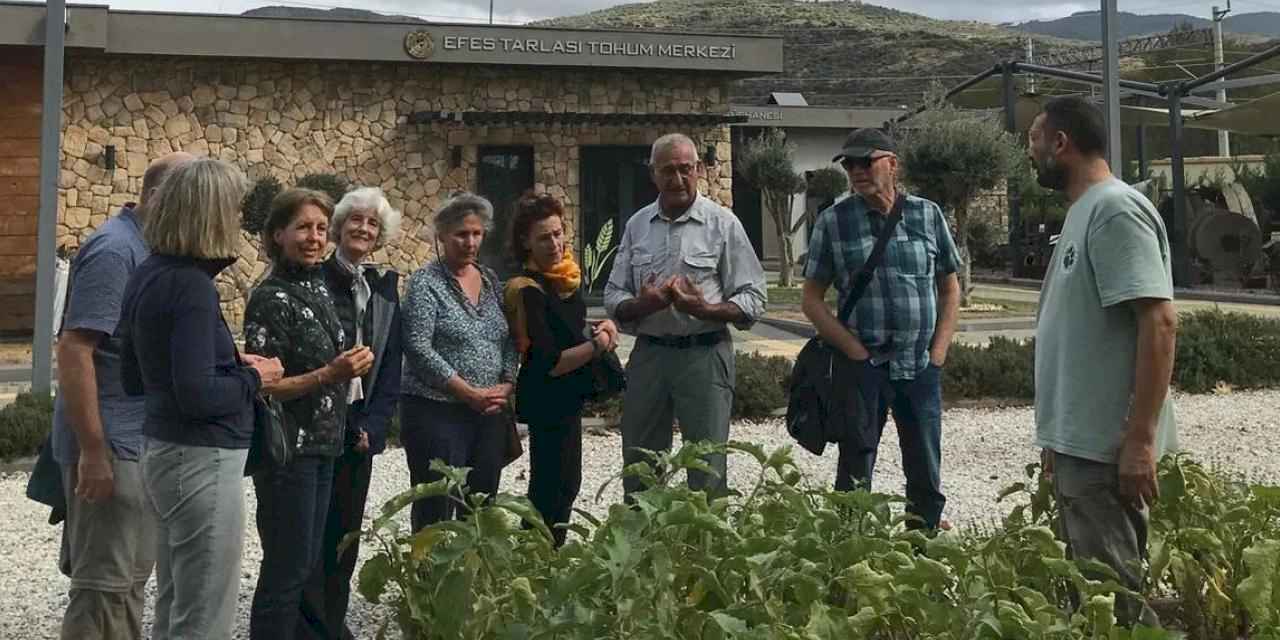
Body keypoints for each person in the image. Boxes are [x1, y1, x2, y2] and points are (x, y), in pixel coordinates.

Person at [119, 157, 284, 639]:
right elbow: (198, 393)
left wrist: (230, 367)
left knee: (175, 607)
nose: (237, 217)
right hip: (202, 462)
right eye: (233, 207)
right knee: (203, 619)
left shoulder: (149, 272)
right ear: (210, 212)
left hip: (162, 452)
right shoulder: (191, 285)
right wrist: (258, 378)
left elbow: (136, 377)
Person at [1029, 96, 1177, 627]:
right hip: (1080, 445)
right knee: (1090, 600)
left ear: (1061, 144)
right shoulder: (1083, 212)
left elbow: (1158, 322)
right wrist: (1056, 437)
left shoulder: (1115, 208)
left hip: (1106, 449)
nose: (1032, 153)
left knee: (1113, 604)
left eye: (1034, 140)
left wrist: (1139, 439)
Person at [50, 150, 190, 640]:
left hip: (135, 442)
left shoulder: (148, 248)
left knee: (128, 583)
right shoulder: (115, 251)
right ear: (157, 197)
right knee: (101, 590)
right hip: (110, 445)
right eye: (189, 200)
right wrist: (93, 452)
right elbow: (74, 349)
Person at [801, 127, 961, 532]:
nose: (856, 170)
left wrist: (938, 353)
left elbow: (949, 285)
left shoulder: (927, 214)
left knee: (925, 469)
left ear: (893, 164)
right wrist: (853, 351)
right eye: (849, 163)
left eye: (865, 161)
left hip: (919, 366)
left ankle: (921, 552)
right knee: (855, 468)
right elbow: (812, 300)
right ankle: (848, 558)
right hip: (863, 368)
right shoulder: (833, 222)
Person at [604, 133, 767, 499]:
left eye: (685, 169)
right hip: (650, 357)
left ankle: (704, 552)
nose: (677, 179)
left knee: (707, 469)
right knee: (640, 468)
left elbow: (754, 298)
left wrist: (704, 309)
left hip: (705, 356)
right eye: (668, 171)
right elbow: (614, 296)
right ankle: (643, 547)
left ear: (699, 170)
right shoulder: (637, 226)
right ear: (652, 174)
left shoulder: (723, 224)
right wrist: (644, 304)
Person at [244, 188, 374, 640]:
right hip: (288, 453)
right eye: (303, 227)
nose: (314, 237)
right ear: (277, 234)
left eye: (321, 228)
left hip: (325, 445)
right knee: (286, 568)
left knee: (308, 564)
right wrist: (330, 373)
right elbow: (266, 386)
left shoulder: (316, 285)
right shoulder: (270, 298)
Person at [299, 187, 404, 639]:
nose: (363, 228)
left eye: (373, 224)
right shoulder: (314, 280)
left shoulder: (380, 289)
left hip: (357, 429)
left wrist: (375, 428)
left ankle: (331, 622)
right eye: (356, 220)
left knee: (344, 536)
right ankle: (307, 626)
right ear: (339, 226)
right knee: (309, 536)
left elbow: (390, 369)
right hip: (316, 423)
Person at [503, 193, 619, 547]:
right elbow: (551, 362)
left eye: (557, 234)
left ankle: (546, 561)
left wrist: (599, 327)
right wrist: (599, 345)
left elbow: (568, 327)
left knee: (567, 485)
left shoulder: (561, 278)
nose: (554, 243)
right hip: (547, 400)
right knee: (550, 490)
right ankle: (535, 562)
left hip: (567, 398)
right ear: (526, 242)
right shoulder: (529, 290)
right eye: (543, 237)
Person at [400, 192, 517, 531]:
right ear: (442, 235)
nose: (470, 242)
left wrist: (506, 384)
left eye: (476, 234)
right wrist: (467, 392)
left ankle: (474, 578)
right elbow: (418, 348)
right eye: (461, 234)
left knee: (481, 504)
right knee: (435, 506)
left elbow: (509, 337)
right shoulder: (425, 284)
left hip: (488, 414)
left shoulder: (492, 281)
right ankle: (427, 581)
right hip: (436, 411)